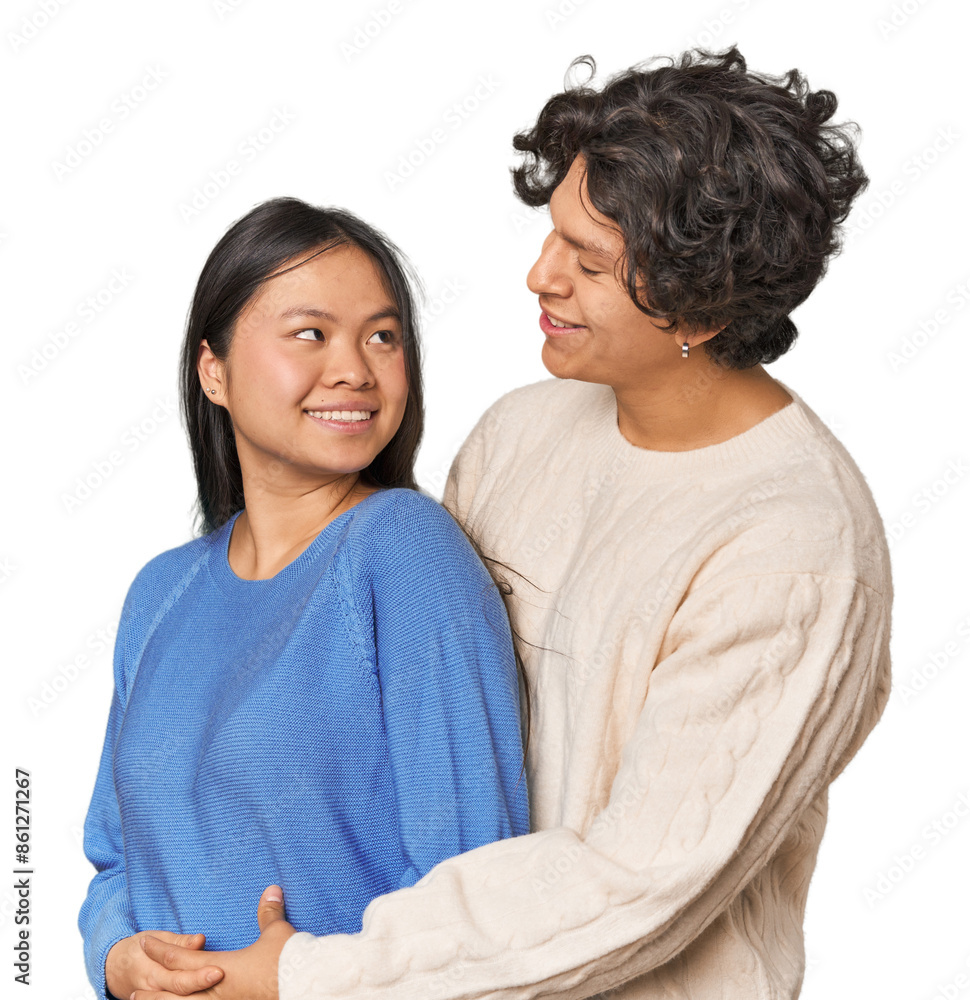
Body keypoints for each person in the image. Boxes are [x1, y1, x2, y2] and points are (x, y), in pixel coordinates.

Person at [128, 46, 892, 1000]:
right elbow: (404, 729)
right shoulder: (519, 434)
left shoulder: (794, 550)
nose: (540, 275)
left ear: (701, 302)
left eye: (588, 261)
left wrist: (314, 973)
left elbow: (637, 884)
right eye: (551, 235)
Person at [77, 197, 530, 1000]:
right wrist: (117, 958)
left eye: (382, 336)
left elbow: (475, 888)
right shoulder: (160, 592)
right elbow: (116, 859)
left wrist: (292, 978)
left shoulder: (405, 550)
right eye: (311, 333)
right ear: (213, 371)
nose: (355, 368)